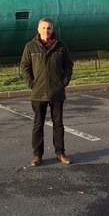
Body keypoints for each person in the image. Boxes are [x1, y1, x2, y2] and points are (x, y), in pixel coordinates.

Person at [20, 18, 73, 167]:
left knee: (58, 124)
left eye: (49, 28)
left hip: (57, 92)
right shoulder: (30, 47)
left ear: (52, 29)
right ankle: (37, 155)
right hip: (38, 93)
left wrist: (65, 81)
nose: (46, 31)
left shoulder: (60, 46)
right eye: (43, 28)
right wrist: (32, 83)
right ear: (38, 29)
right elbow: (24, 66)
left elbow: (69, 64)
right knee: (38, 125)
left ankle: (60, 153)